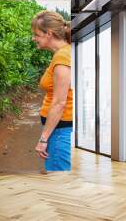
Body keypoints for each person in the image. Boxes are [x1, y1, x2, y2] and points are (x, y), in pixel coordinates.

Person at [31, 10, 73, 172]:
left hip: (61, 131)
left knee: (59, 183)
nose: (33, 38)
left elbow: (59, 103)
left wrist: (43, 139)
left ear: (48, 33)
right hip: (60, 129)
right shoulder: (63, 53)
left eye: (36, 34)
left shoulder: (63, 58)